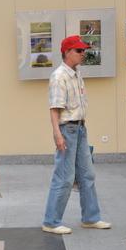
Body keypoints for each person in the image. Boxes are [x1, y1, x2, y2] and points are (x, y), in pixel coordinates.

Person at [42, 35, 112, 234]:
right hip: (67, 130)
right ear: (67, 52)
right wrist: (57, 134)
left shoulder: (76, 73)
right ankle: (51, 222)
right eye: (79, 50)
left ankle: (91, 218)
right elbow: (54, 108)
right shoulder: (59, 76)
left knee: (87, 174)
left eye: (84, 50)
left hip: (80, 128)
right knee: (64, 177)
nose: (83, 54)